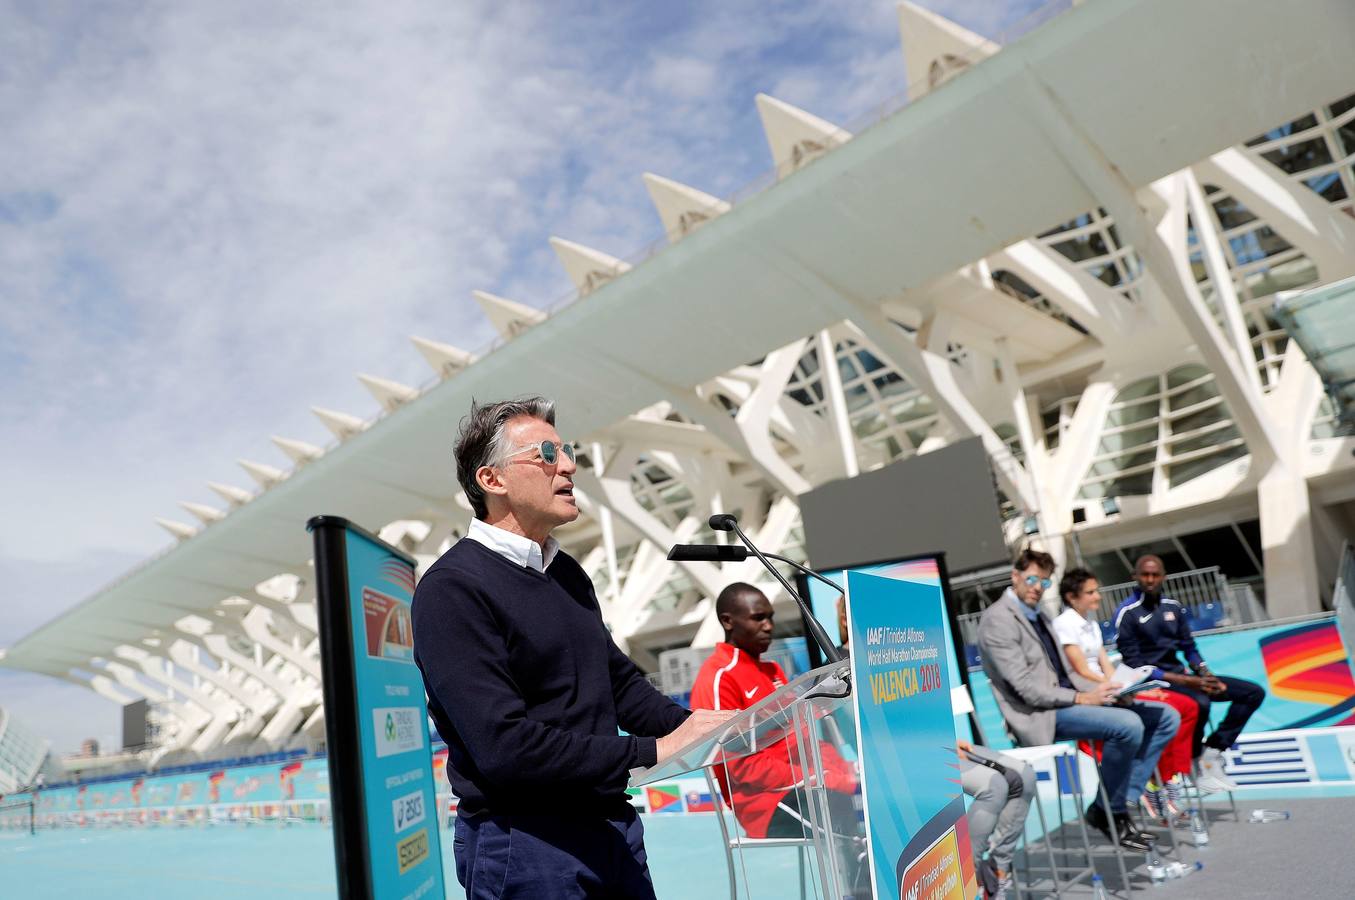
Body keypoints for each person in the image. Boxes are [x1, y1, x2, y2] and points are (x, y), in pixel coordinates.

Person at [412, 397, 734, 899]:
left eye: (566, 451)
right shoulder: (452, 589)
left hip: (611, 826)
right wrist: (653, 750)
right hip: (527, 845)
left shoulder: (566, 573)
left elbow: (618, 682)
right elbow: (505, 748)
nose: (568, 465)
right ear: (491, 481)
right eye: (545, 453)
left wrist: (704, 727)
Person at [977, 549, 1180, 852]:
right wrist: (1084, 698)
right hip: (1039, 715)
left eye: (1044, 582)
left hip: (1068, 701)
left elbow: (1069, 672)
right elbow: (1027, 690)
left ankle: (1116, 801)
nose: (1037, 587)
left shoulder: (1038, 614)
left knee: (1165, 716)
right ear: (1015, 576)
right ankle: (1113, 810)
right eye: (1031, 579)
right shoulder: (997, 621)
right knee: (1128, 725)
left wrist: (1113, 691)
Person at [690, 583, 865, 890]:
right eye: (759, 618)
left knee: (864, 801)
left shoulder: (772, 671)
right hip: (764, 805)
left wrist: (838, 770)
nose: (769, 626)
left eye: (770, 617)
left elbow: (805, 735)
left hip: (804, 787)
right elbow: (741, 768)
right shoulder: (719, 677)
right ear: (728, 621)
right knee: (851, 828)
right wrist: (816, 776)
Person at [1055, 568, 1199, 820]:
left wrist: (1124, 683)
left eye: (1096, 590)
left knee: (1177, 712)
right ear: (1071, 597)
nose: (1098, 597)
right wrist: (1112, 687)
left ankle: (1150, 782)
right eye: (1091, 592)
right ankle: (1145, 786)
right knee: (1166, 713)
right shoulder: (1063, 624)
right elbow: (1079, 670)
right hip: (1087, 695)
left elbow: (1104, 664)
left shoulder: (1089, 622)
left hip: (1106, 690)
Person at [1113, 554, 1265, 794]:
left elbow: (1189, 647)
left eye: (1155, 575)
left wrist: (1205, 673)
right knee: (1201, 703)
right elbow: (1136, 665)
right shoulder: (1127, 613)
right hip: (1155, 683)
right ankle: (1194, 763)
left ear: (1163, 577)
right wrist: (1190, 681)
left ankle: (1212, 751)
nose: (1150, 580)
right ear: (1135, 577)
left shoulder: (1173, 607)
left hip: (1184, 677)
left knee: (1252, 693)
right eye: (1145, 575)